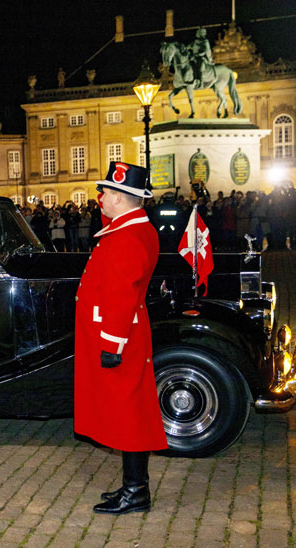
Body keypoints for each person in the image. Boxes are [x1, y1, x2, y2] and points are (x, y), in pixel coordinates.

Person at [74, 162, 168, 515]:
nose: (101, 198)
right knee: (126, 411)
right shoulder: (127, 228)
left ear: (126, 199)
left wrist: (112, 344)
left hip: (119, 337)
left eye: (108, 193)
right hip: (122, 333)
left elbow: (122, 294)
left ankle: (136, 492)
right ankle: (133, 487)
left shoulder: (128, 237)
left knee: (129, 414)